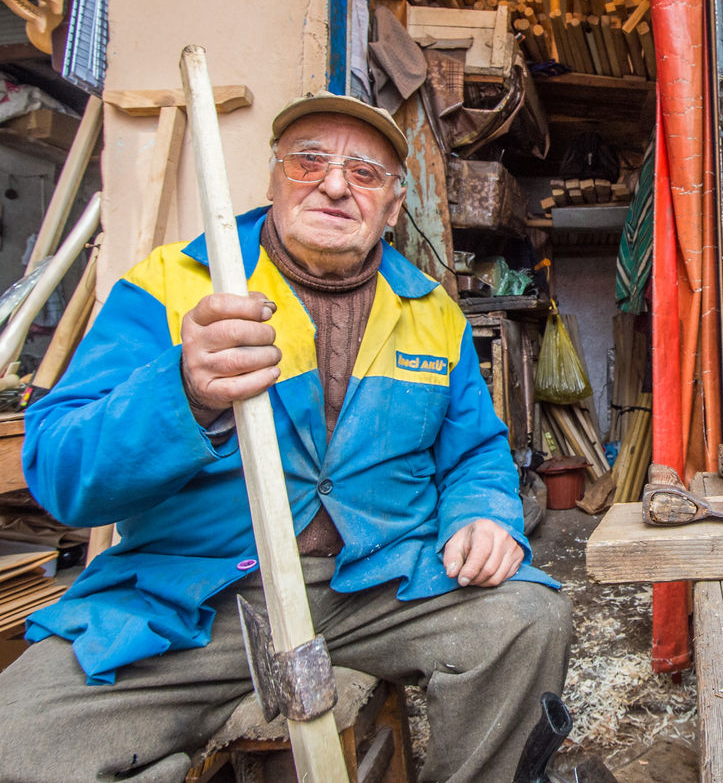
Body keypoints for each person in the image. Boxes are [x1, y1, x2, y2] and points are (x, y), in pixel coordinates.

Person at [0, 92, 571, 782]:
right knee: (21, 738)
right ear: (272, 181)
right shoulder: (175, 285)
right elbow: (60, 471)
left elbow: (476, 450)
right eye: (309, 161)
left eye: (365, 173)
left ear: (394, 206)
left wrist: (483, 512)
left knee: (526, 620)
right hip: (197, 597)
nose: (334, 184)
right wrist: (181, 389)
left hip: (383, 585)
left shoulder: (430, 310)